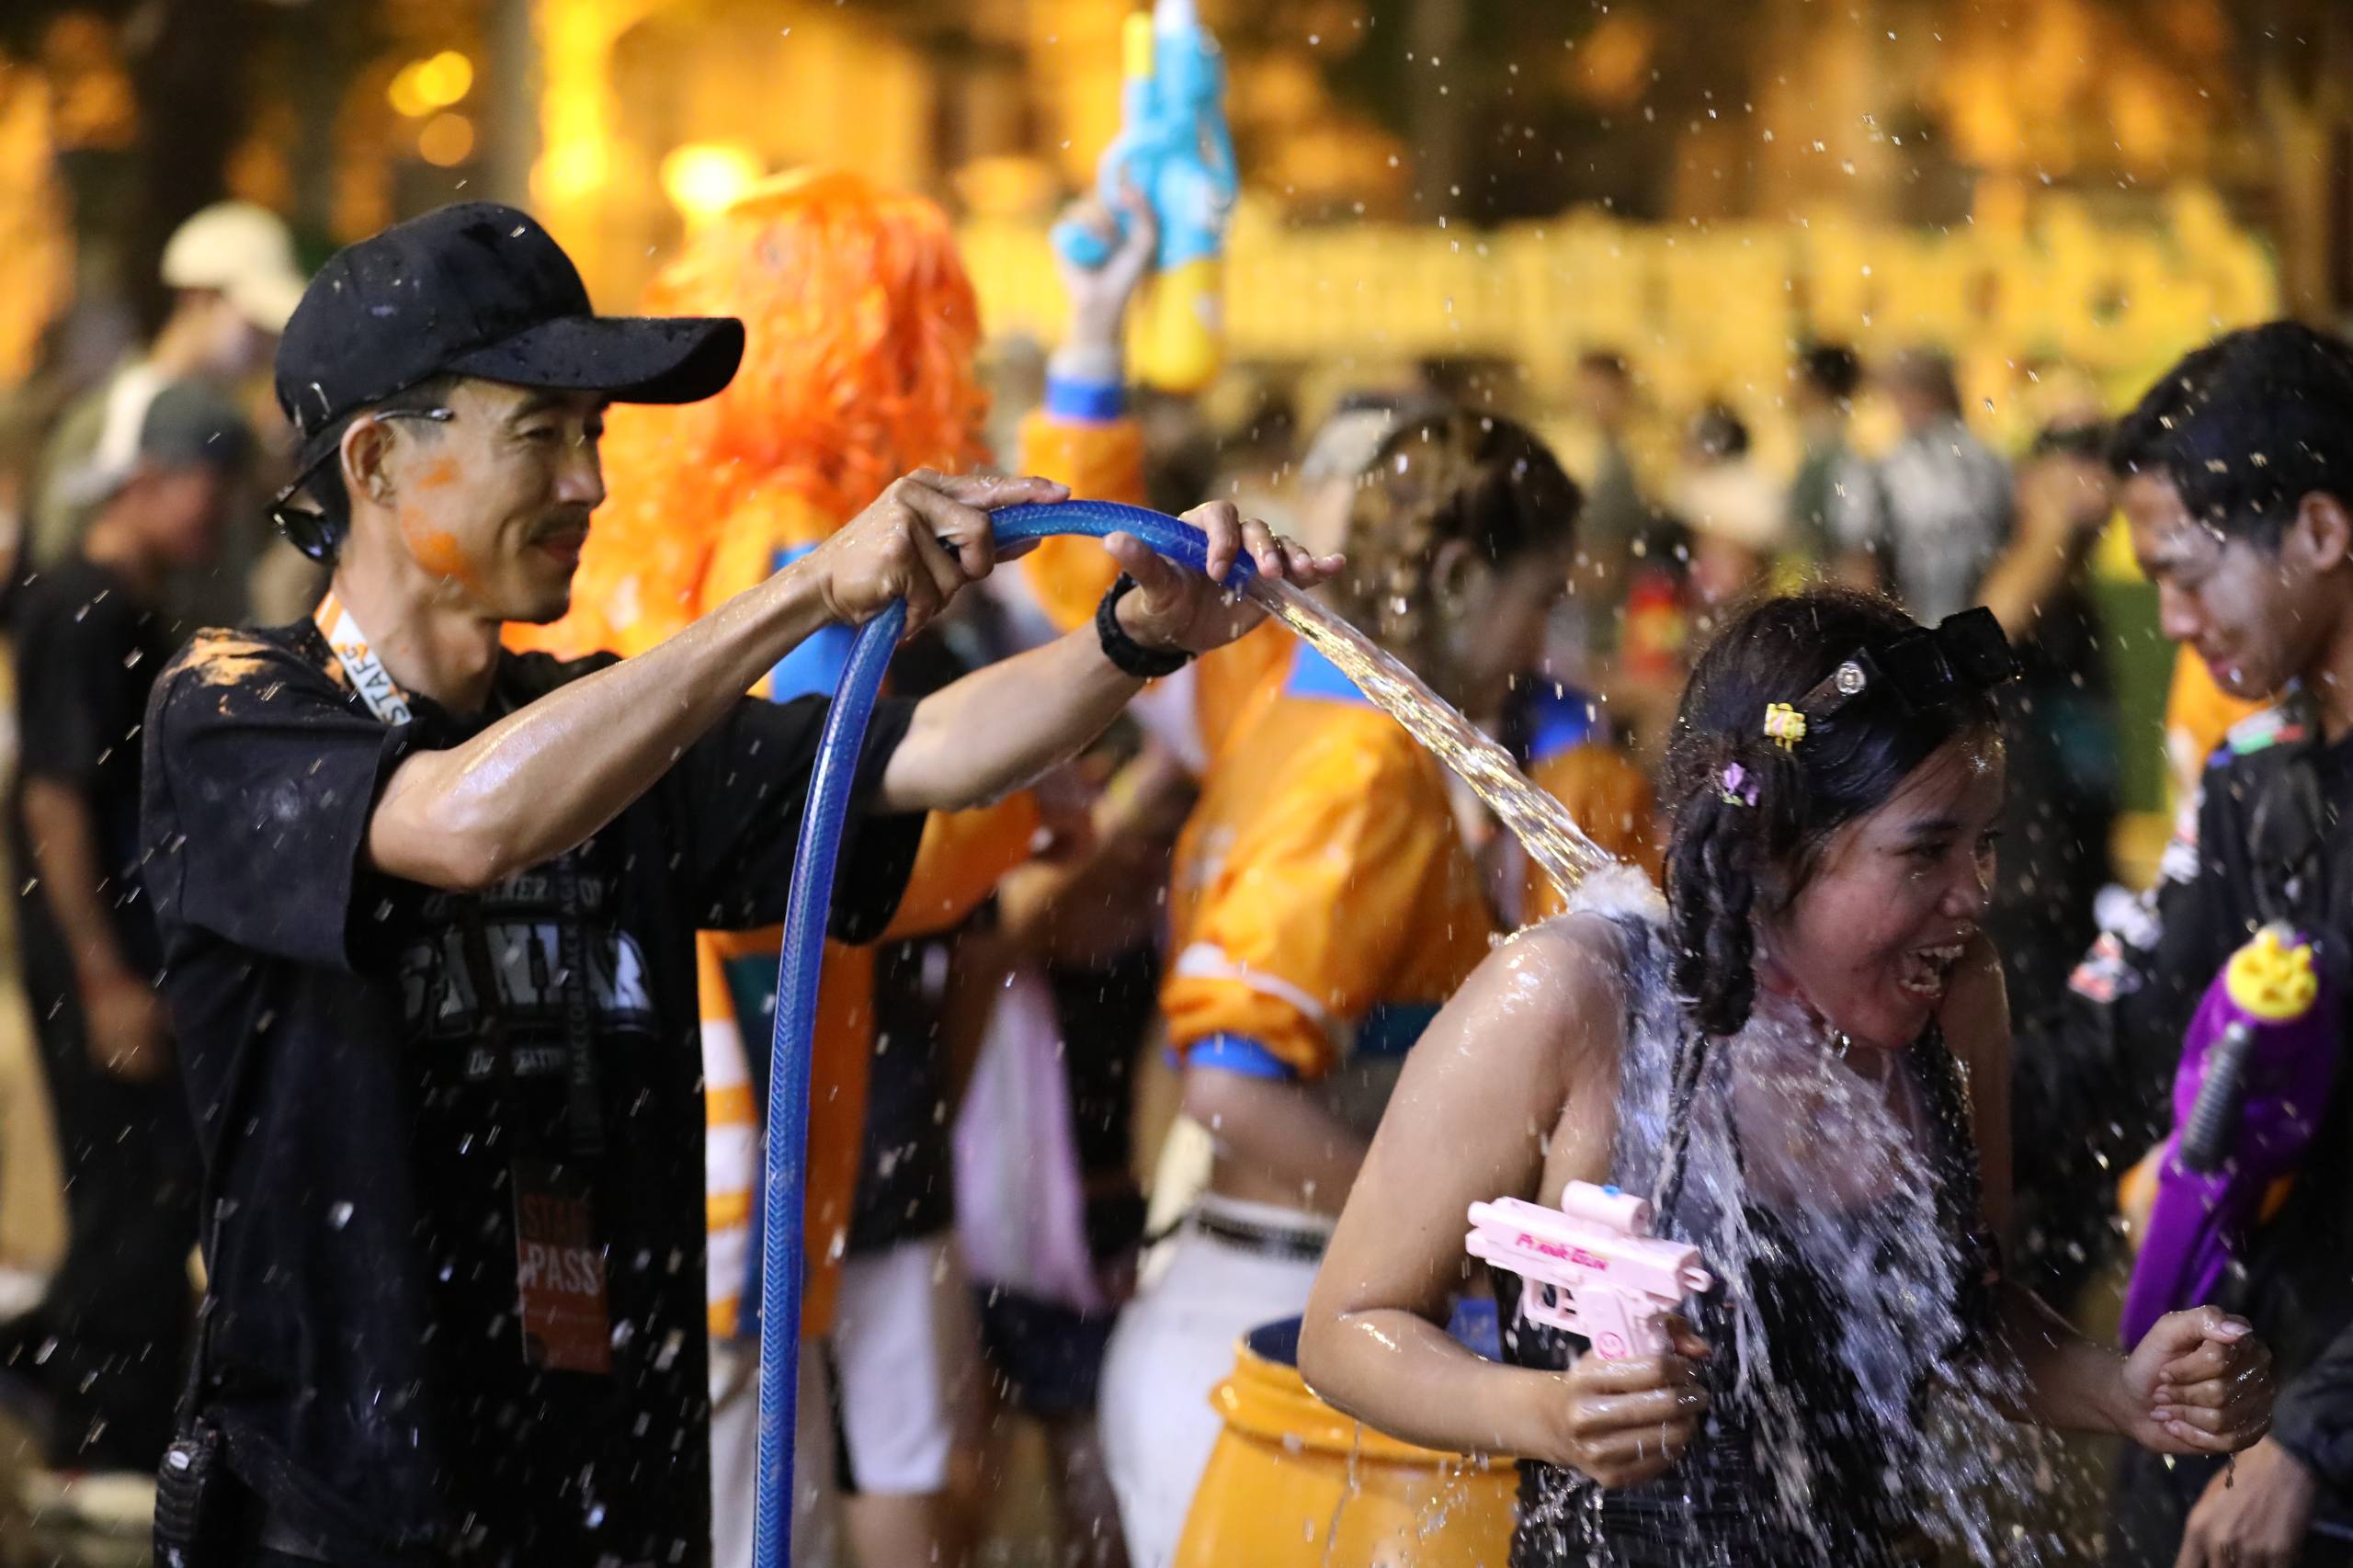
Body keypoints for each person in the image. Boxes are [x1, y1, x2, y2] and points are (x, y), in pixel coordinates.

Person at [136, 199, 1330, 1568]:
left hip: (601, 1496)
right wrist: (807, 592)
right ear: (376, 461)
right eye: (542, 434)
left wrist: (1135, 636)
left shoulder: (595, 723)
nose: (590, 483)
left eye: (596, 436)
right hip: (340, 1514)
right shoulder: (233, 707)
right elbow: (462, 824)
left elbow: (930, 749)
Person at [1300, 587, 2275, 1568]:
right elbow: (1347, 1329)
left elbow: (1966, 1319)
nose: (1975, 892)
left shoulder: (1954, 997)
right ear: (1770, 846)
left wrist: (2120, 1388)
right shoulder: (1573, 1000)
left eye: (1986, 843)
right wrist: (1547, 1411)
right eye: (1927, 848)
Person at [1097, 409, 1582, 1565]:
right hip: (1271, 1322)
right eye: (1539, 596)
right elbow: (1228, 1085)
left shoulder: (1304, 704)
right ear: (1458, 578)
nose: (1541, 641)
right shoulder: (1361, 765)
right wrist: (1435, 1238)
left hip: (1248, 1300)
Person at [2001, 323, 2353, 1568]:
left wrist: (2315, 1438)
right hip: (2245, 1368)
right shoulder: (2259, 780)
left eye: (2188, 573)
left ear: (2320, 530)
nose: (2171, 618)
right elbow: (2124, 1032)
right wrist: (1885, 1118)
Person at [5, 379, 252, 1472]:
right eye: (206, 484)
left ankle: (94, 1413)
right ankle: (93, 1439)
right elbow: (54, 798)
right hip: (97, 965)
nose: (217, 512)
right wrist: (103, 975)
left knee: (150, 1196)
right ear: (146, 477)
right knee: (127, 1200)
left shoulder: (138, 605)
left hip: (137, 961)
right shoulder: (81, 604)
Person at [29, 202, 306, 622]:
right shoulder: (110, 416)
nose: (265, 345)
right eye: (255, 324)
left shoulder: (230, 422)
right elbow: (58, 560)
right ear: (199, 298)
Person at [1838, 347, 2012, 624]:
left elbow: (1859, 562)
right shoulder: (1993, 458)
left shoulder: (1883, 465)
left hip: (1910, 624)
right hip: (1987, 623)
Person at [1784, 343, 1876, 570]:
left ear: (1814, 388)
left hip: (1820, 576)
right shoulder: (1841, 454)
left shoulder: (1827, 460)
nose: (1789, 390)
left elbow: (1804, 534)